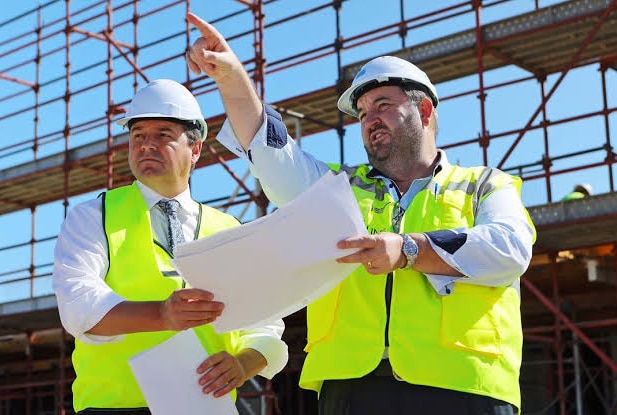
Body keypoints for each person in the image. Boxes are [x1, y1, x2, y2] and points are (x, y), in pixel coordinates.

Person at [185, 12, 536, 415]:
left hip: (463, 385)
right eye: (363, 112)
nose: (370, 119)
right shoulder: (340, 190)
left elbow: (509, 249)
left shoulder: (484, 184)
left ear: (424, 113)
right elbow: (272, 155)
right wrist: (232, 80)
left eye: (382, 105)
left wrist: (408, 249)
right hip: (352, 388)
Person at [52, 78, 288, 414]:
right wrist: (162, 314)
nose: (146, 145)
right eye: (138, 136)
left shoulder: (229, 230)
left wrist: (244, 364)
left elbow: (266, 325)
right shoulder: (93, 218)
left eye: (163, 135)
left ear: (195, 149)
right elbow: (78, 305)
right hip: (114, 407)